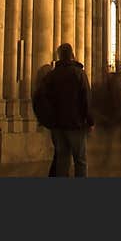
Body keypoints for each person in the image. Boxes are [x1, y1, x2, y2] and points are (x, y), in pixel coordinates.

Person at [42, 43, 94, 177]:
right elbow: (86, 98)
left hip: (58, 125)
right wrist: (90, 121)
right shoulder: (79, 73)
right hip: (76, 124)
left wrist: (49, 119)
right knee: (80, 160)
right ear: (72, 55)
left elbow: (45, 98)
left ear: (59, 56)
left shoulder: (52, 75)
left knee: (62, 160)